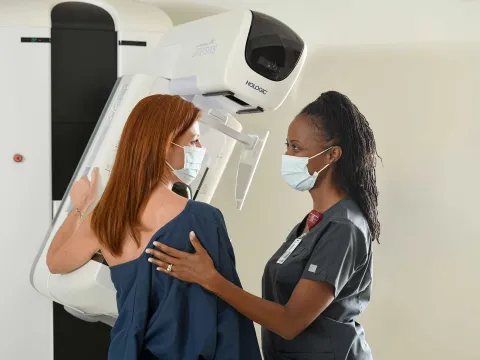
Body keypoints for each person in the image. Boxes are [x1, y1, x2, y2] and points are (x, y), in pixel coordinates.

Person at [148, 91, 381, 360]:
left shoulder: (344, 228)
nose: (287, 155)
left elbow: (289, 323)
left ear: (332, 155)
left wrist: (210, 279)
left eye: (296, 147)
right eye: (287, 146)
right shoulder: (314, 221)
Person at [46, 94, 262, 360]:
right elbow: (229, 320)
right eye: (192, 140)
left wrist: (80, 207)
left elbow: (54, 262)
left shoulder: (104, 218)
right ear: (164, 147)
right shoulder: (203, 219)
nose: (200, 146)